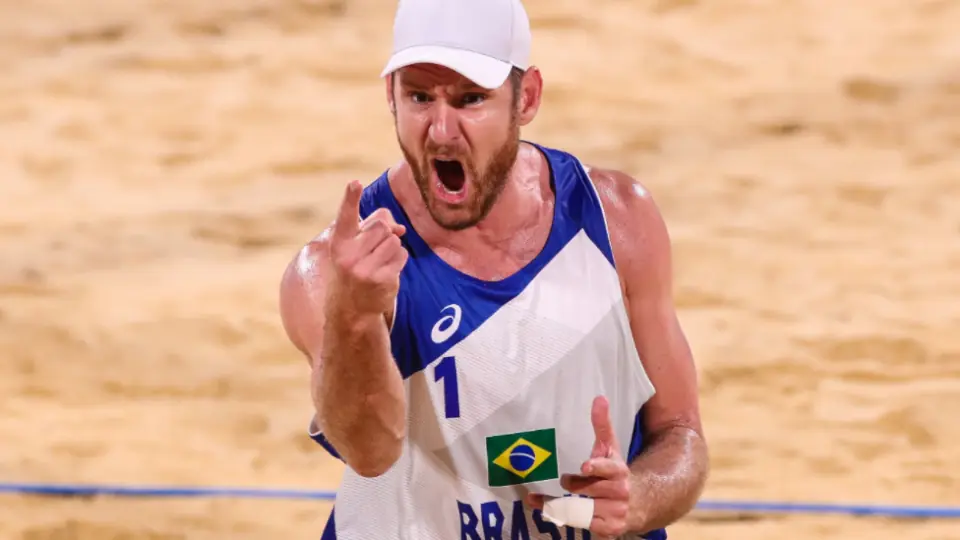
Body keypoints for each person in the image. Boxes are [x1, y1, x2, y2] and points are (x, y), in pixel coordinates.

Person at [278, 0, 709, 537]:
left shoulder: (615, 220)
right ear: (389, 95)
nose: (441, 131)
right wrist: (355, 317)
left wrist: (639, 499)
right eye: (419, 97)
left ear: (526, 98)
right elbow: (368, 451)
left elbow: (681, 433)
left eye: (470, 99)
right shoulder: (330, 272)